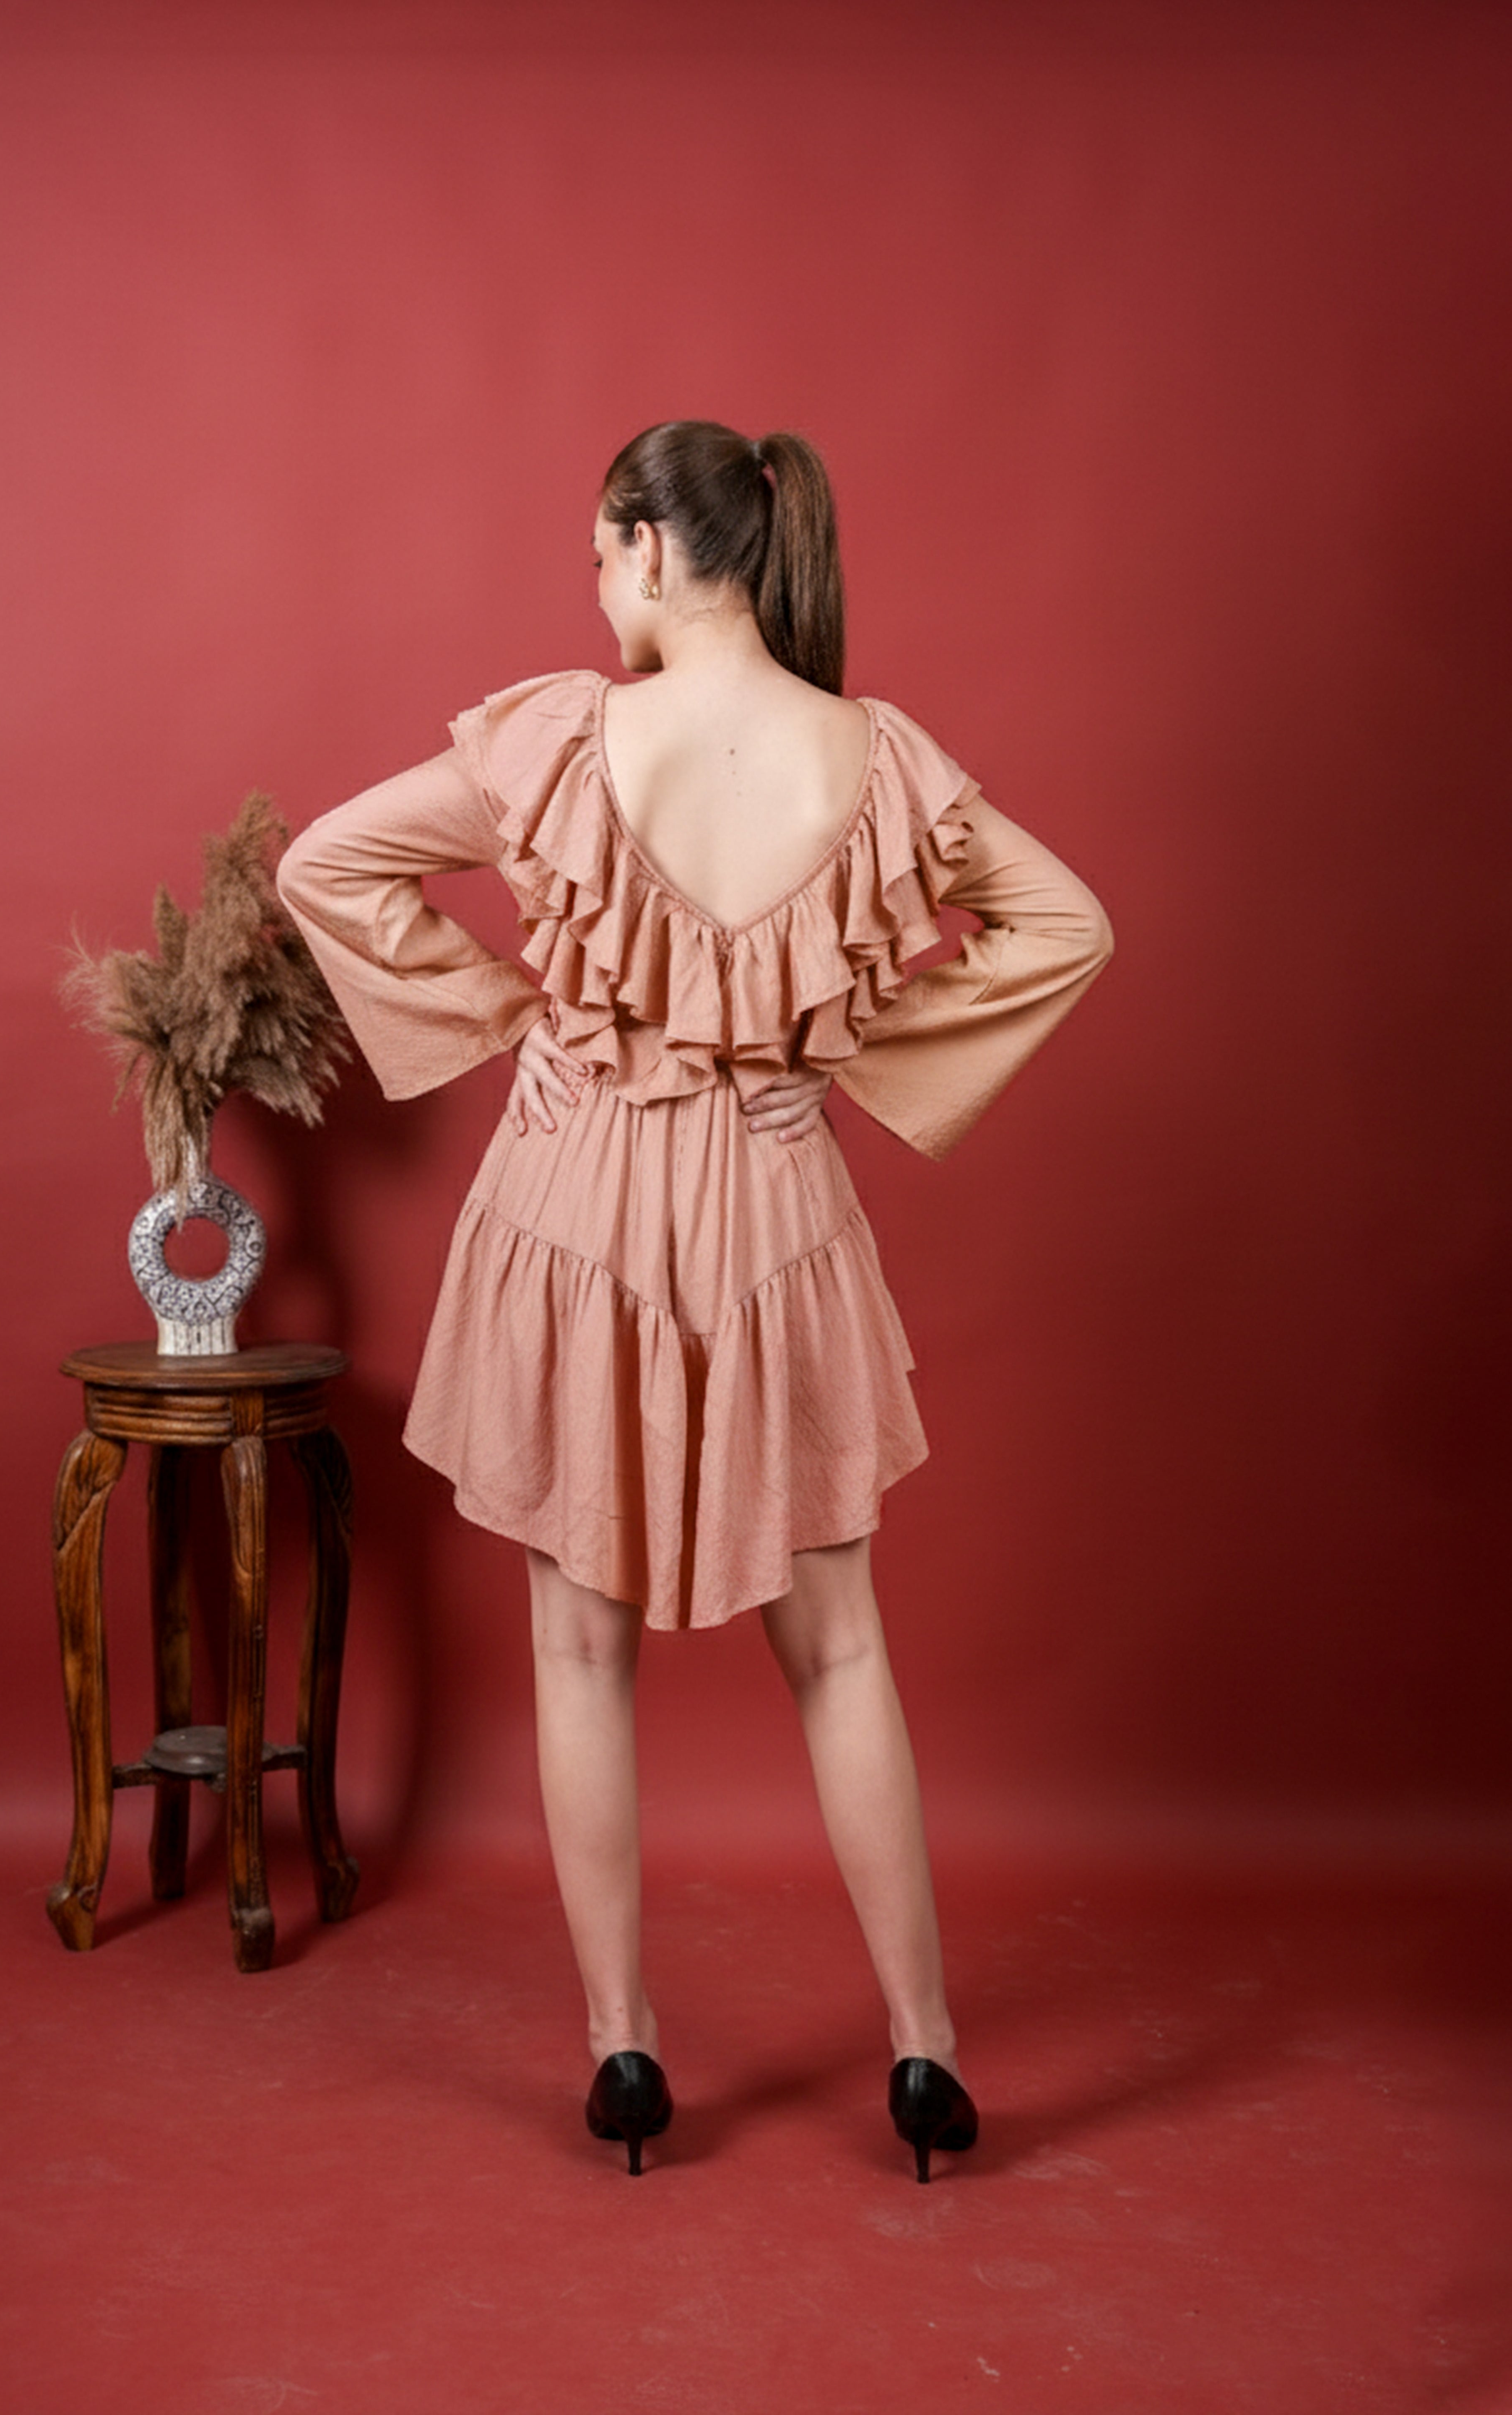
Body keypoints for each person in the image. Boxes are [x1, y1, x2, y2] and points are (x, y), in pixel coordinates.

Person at [277, 420, 1112, 2182]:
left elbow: (326, 864)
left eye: (600, 559)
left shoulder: (562, 742)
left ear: (647, 545)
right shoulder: (874, 759)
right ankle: (925, 2057)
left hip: (574, 1200)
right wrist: (844, 1048)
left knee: (580, 1647)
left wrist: (518, 1020)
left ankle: (626, 2055)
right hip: (776, 1207)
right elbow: (1066, 925)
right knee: (844, 1646)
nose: (598, 592)